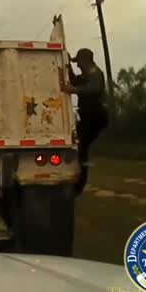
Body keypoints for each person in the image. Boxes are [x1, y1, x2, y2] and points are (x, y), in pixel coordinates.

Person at [61, 48, 109, 194]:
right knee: (79, 146)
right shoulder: (86, 75)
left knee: (82, 147)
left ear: (85, 60)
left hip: (96, 118)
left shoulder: (96, 74)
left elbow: (92, 89)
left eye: (78, 62)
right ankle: (77, 182)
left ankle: (78, 185)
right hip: (88, 118)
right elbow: (75, 80)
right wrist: (67, 64)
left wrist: (73, 90)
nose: (78, 66)